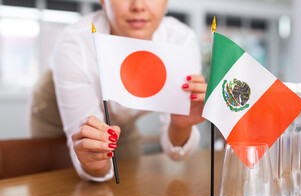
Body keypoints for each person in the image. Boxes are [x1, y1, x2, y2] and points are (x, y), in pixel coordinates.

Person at [30, 0, 207, 182]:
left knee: (129, 180)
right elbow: (92, 162)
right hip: (54, 112)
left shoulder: (181, 41)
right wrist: (95, 164)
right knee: (56, 181)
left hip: (121, 120)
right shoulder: (76, 42)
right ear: (103, 2)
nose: (138, 6)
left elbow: (176, 153)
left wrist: (179, 126)